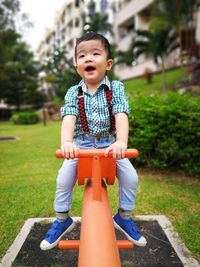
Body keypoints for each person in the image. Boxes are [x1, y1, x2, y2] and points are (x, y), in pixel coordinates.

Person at [40, 32, 147, 250]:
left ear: (108, 64)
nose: (88, 58)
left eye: (95, 53)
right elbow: (68, 118)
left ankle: (123, 216)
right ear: (77, 66)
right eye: (82, 55)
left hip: (109, 144)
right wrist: (67, 143)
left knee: (131, 177)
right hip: (81, 146)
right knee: (63, 179)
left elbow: (121, 114)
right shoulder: (73, 93)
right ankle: (62, 220)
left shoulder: (116, 88)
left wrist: (121, 142)